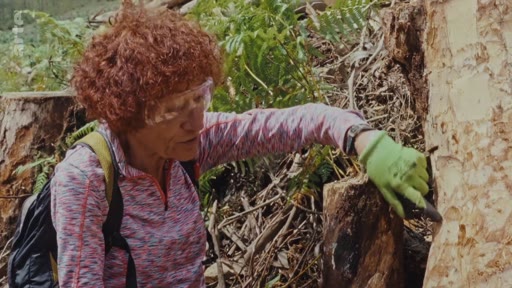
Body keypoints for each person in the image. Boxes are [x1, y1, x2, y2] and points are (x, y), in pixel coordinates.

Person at [52, 1, 430, 287]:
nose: (195, 121)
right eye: (174, 109)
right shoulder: (87, 179)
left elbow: (297, 122)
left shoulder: (193, 145)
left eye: (199, 98)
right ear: (129, 112)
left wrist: (367, 141)